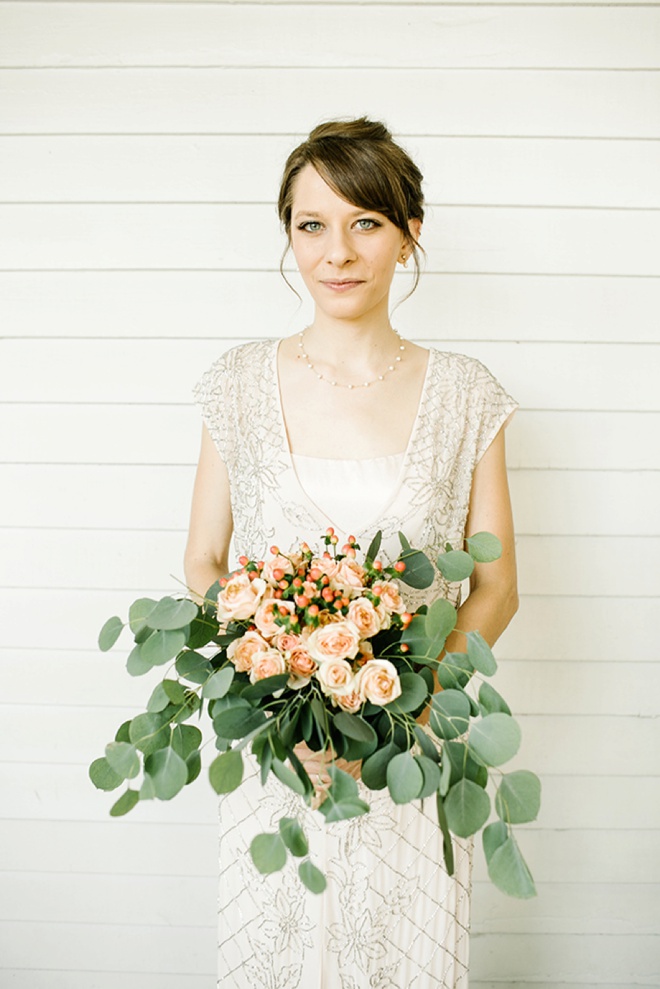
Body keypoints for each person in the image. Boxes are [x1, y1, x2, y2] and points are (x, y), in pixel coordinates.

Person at [184, 117, 518, 989]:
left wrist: (397, 712)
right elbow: (204, 560)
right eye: (311, 225)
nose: (338, 252)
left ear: (410, 233)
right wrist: (282, 694)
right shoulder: (237, 384)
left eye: (366, 221)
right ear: (288, 235)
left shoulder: (466, 395)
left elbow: (496, 589)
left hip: (407, 753)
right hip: (278, 754)